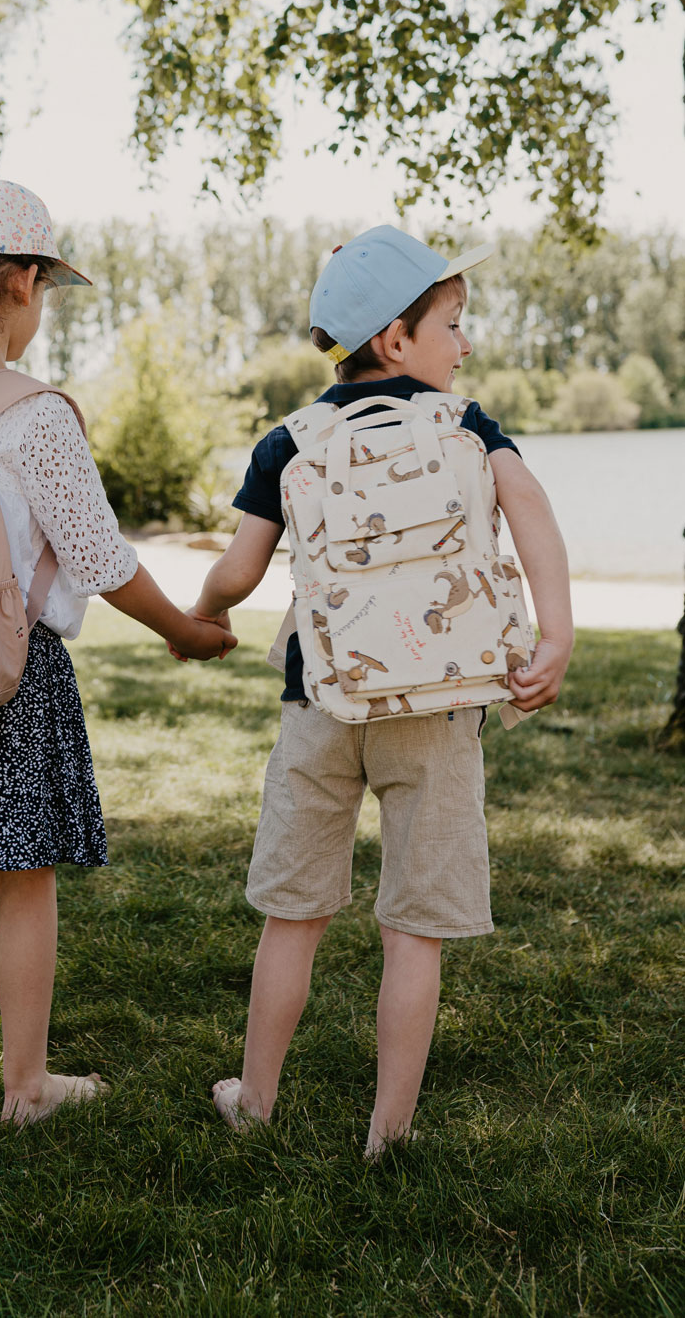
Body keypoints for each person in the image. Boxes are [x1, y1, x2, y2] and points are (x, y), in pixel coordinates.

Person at [182, 225, 573, 1154]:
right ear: (397, 341)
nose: (463, 343)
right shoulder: (466, 425)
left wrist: (203, 613)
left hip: (320, 701)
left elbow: (238, 571)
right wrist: (553, 631)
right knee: (414, 931)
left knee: (294, 913)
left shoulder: (291, 440)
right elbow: (532, 517)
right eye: (451, 323)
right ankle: (386, 1132)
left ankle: (259, 1100)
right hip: (438, 705)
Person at [0, 179, 235, 1127]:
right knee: (23, 881)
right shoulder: (36, 414)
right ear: (22, 280)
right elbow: (101, 558)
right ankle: (24, 1088)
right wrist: (186, 630)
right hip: (9, 677)